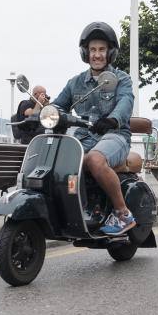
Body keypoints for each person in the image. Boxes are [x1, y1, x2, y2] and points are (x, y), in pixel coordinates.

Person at [51, 21, 136, 235]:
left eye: (101, 49)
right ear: (85, 53)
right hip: (86, 136)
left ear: (110, 53)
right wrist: (47, 114)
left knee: (94, 159)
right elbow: (58, 104)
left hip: (115, 136)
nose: (97, 55)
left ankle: (122, 213)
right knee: (56, 158)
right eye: (92, 50)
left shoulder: (122, 79)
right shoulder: (75, 83)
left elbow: (126, 103)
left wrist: (112, 119)